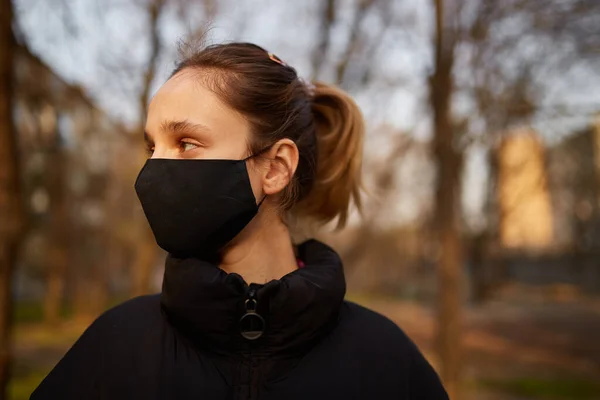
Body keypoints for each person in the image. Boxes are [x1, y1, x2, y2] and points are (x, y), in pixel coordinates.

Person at [31, 42, 448, 400]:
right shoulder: (114, 348)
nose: (154, 170)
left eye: (186, 143)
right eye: (152, 146)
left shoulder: (384, 361)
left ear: (275, 168)